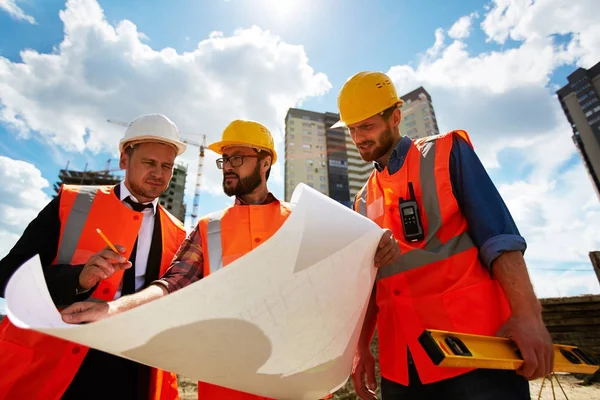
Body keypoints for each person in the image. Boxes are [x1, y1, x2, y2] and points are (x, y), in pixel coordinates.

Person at [59, 119, 401, 400]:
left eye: (237, 158)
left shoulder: (307, 221)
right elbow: (172, 283)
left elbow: (354, 267)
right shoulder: (208, 228)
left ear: (265, 162)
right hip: (226, 385)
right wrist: (112, 309)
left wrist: (380, 244)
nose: (227, 168)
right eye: (225, 160)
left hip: (296, 385)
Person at [331, 71, 554, 400]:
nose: (357, 137)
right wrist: (361, 347)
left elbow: (500, 239)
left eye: (366, 126)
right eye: (351, 129)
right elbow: (370, 285)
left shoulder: (446, 153)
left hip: (476, 353)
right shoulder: (362, 200)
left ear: (394, 118)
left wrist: (527, 316)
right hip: (403, 368)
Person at [0, 113, 189, 400]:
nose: (159, 174)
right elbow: (7, 277)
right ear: (125, 159)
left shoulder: (176, 232)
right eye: (149, 163)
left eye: (167, 166)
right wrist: (78, 279)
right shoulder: (71, 203)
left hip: (132, 369)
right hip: (53, 361)